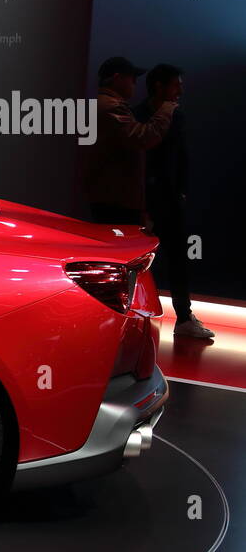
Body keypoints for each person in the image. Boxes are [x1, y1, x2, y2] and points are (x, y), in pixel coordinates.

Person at [135, 64, 213, 339]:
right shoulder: (139, 115)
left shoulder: (173, 115)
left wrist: (180, 190)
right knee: (137, 261)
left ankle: (183, 317)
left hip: (168, 199)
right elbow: (145, 157)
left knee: (178, 257)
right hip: (143, 201)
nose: (180, 90)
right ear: (159, 86)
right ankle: (133, 318)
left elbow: (180, 156)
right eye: (175, 84)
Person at [84, 55, 176, 224]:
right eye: (133, 78)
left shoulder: (100, 104)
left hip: (109, 197)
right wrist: (167, 108)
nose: (135, 83)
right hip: (116, 201)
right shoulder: (111, 107)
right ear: (117, 78)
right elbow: (143, 138)